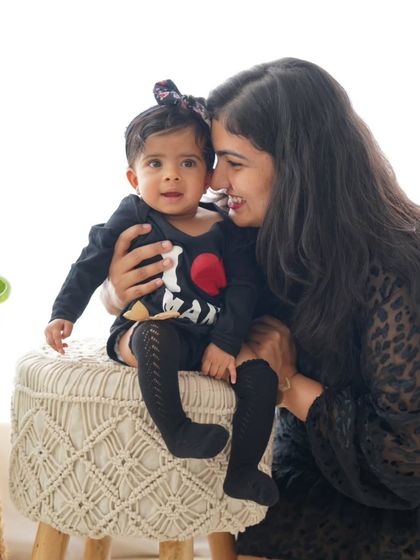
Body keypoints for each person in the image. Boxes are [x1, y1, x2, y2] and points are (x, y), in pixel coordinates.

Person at [101, 59, 420, 559]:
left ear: (298, 166)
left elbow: (409, 461)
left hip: (396, 511)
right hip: (305, 478)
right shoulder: (261, 242)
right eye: (212, 159)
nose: (212, 180)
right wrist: (119, 293)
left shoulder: (397, 269)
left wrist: (289, 384)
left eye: (234, 162)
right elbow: (189, 306)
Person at [44, 80, 279, 508]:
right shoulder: (136, 214)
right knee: (154, 335)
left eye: (188, 162)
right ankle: (177, 430)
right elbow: (92, 260)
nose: (171, 174)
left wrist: (226, 343)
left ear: (208, 175)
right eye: (155, 163)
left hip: (207, 338)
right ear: (135, 177)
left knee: (260, 374)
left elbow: (245, 288)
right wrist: (65, 312)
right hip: (149, 331)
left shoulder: (225, 227)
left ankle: (243, 470)